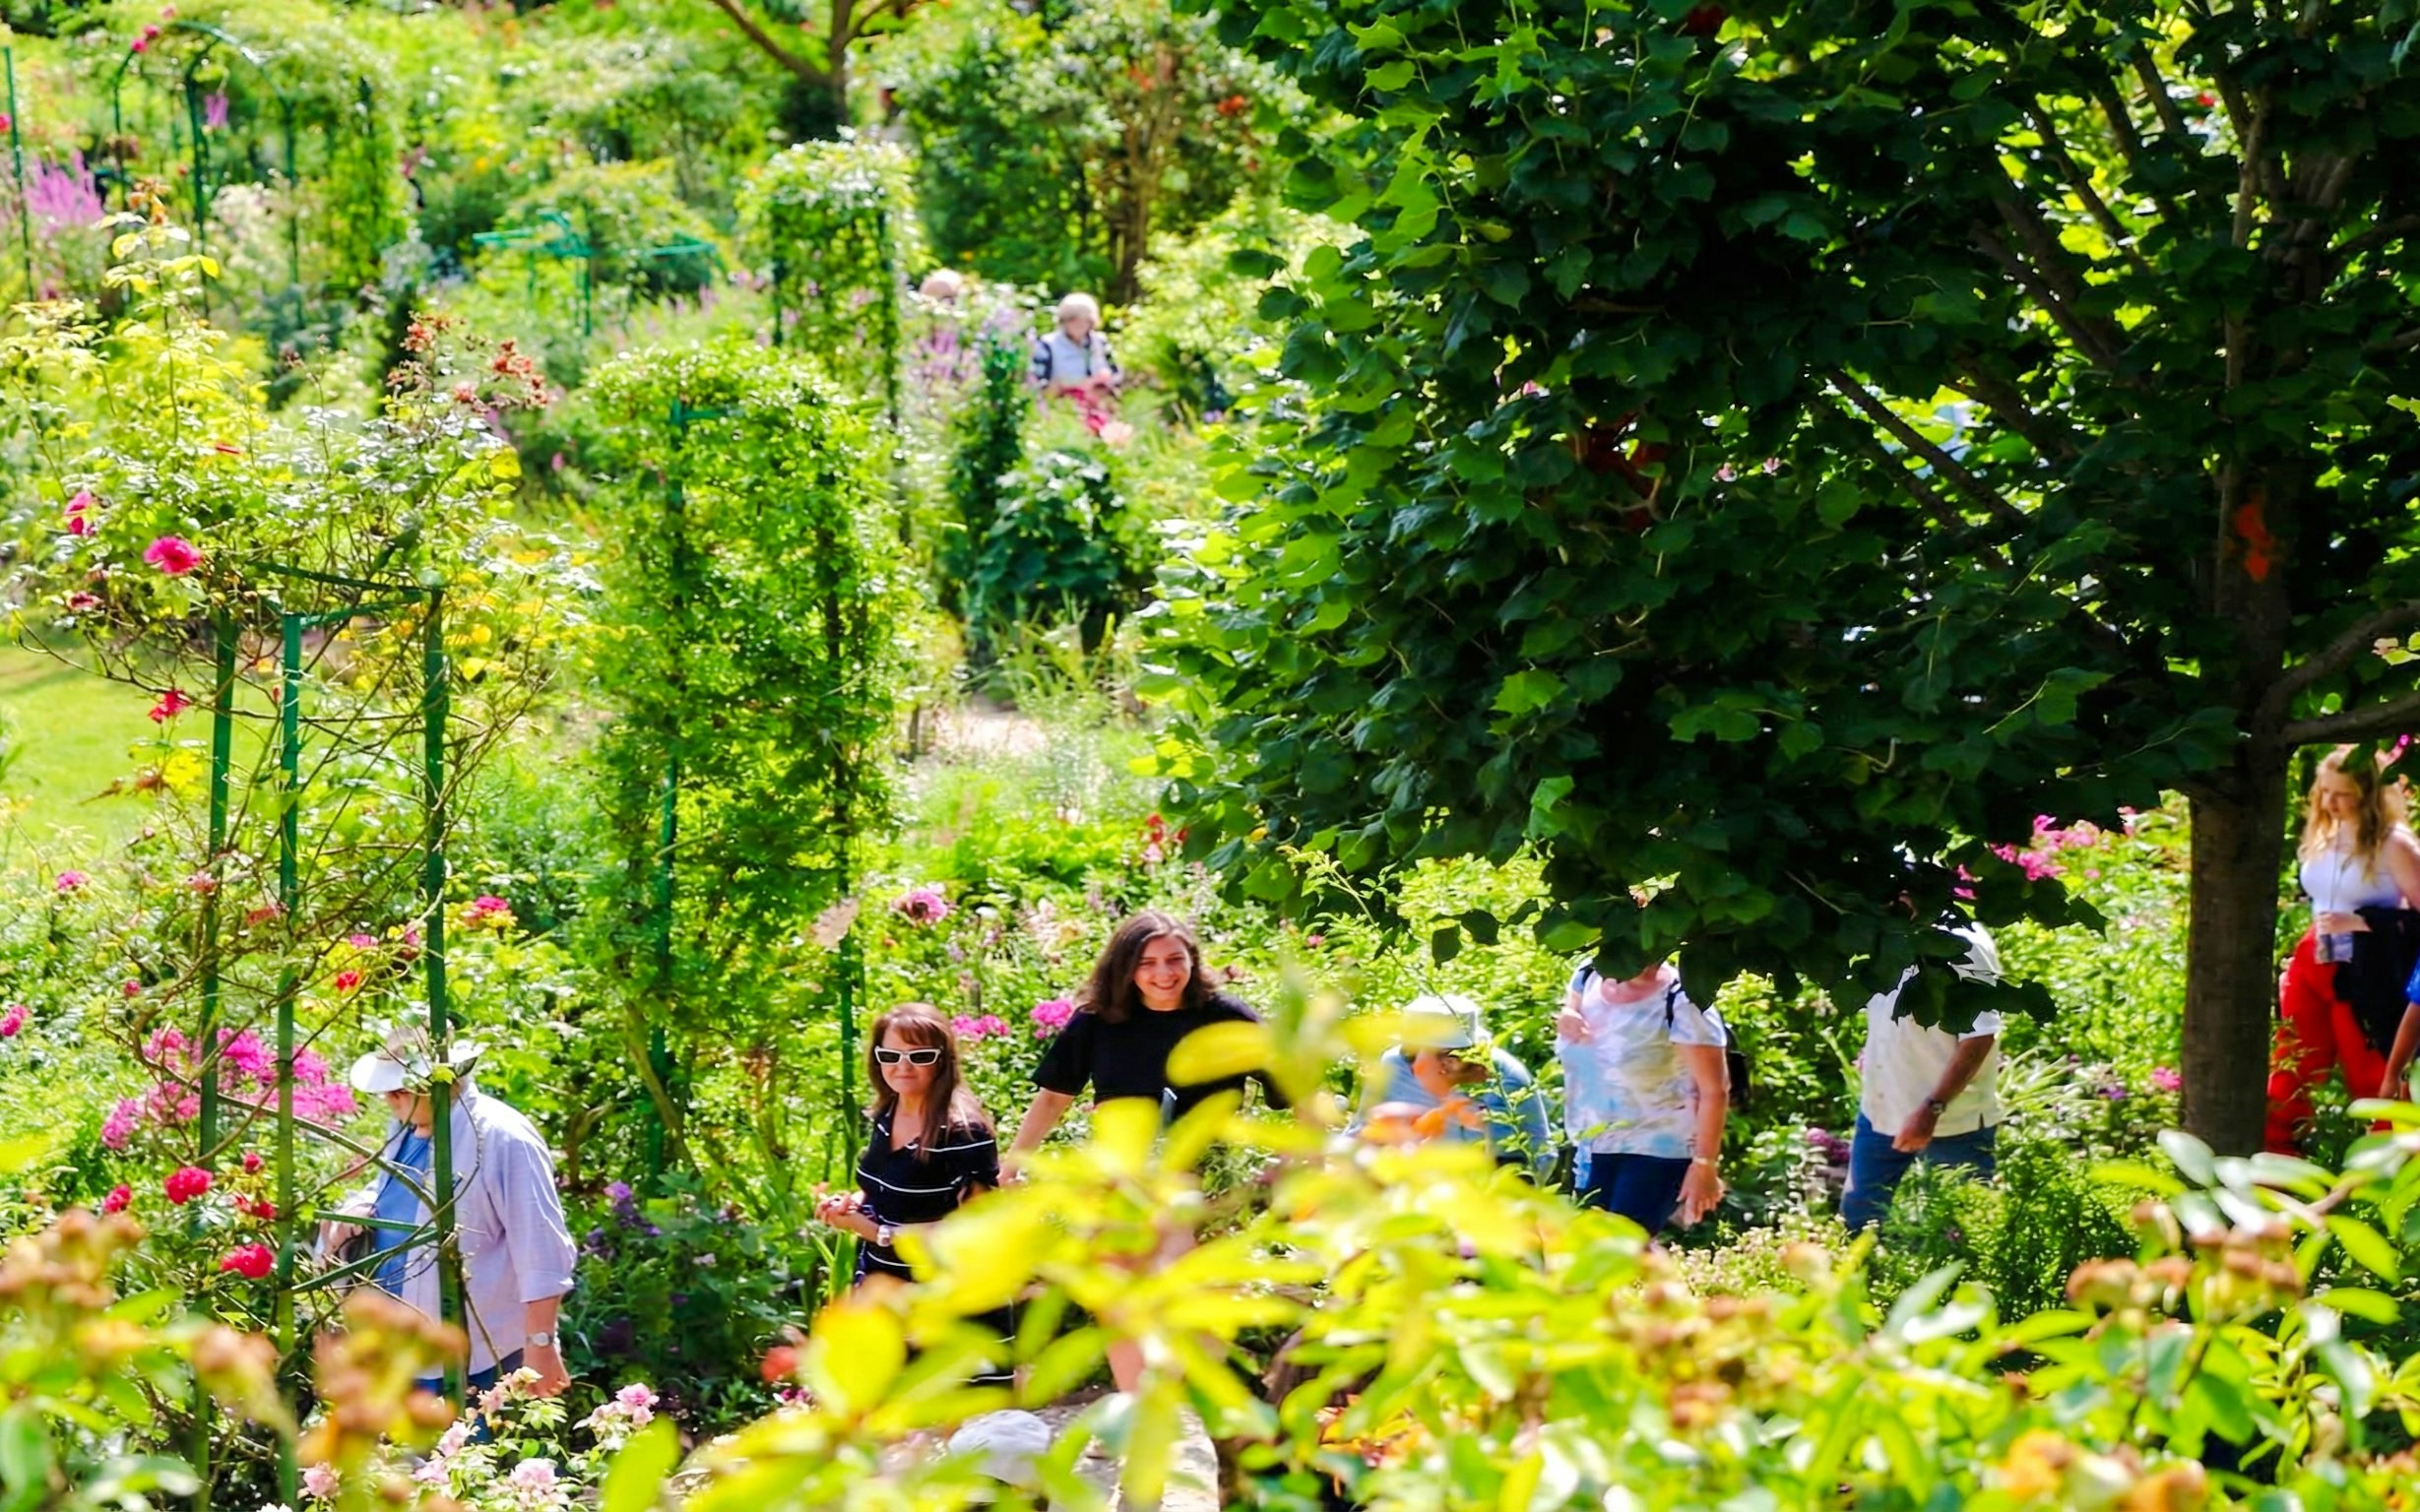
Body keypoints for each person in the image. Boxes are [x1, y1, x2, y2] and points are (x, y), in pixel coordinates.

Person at [1005, 910, 1283, 1392]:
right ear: (1126, 968)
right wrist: (1014, 1160)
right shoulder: (1097, 1023)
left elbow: (1294, 1086)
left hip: (1204, 1179)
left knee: (1195, 1291)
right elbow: (1053, 1097)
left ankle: (1194, 1397)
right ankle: (1138, 1401)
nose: (1163, 974)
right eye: (1147, 963)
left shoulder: (1226, 1018)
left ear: (1192, 961)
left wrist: (1300, 1156)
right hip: (1121, 1177)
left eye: (1174, 960)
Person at [329, 1030, 577, 1396]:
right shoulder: (408, 1127)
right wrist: (357, 1209)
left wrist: (540, 1343)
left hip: (477, 1354)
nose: (389, 1098)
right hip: (400, 1346)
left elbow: (540, 1247)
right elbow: (398, 1192)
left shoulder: (502, 1137)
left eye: (400, 1088)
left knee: (471, 1433)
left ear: (442, 1081)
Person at [813, 1004, 1011, 1389]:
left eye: (919, 1056)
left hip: (951, 1302)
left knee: (965, 1417)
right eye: (890, 1056)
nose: (902, 1067)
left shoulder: (963, 1133)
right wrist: (851, 1203)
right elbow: (882, 1186)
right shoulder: (887, 1113)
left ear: (943, 1060)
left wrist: (879, 1233)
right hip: (885, 1292)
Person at [2266, 747, 2420, 1153]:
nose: (2330, 802)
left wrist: (2365, 923)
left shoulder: (2394, 844)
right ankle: (2273, 1167)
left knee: (2371, 1074)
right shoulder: (2324, 834)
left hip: (2365, 965)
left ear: (2367, 794)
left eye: (2342, 794)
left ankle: (2390, 1169)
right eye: (2325, 791)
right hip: (2313, 957)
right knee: (2292, 1063)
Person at [1839, 922, 2005, 1231]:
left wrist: (1932, 1109)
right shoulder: (1884, 933)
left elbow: (1980, 1037)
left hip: (1953, 1122)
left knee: (1963, 1229)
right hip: (1880, 1111)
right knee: (1858, 1220)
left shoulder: (1963, 944)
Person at [1557, 958, 1728, 1232]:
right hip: (1592, 1145)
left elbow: (1714, 1090)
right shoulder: (1588, 974)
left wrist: (1705, 1164)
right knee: (1588, 1249)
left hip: (1656, 1151)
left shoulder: (1683, 1000)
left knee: (1619, 1248)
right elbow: (1573, 1010)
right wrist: (1567, 1014)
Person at [1355, 994, 1555, 1181]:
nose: (1416, 1064)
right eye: (1411, 1052)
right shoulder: (1394, 1064)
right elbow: (1363, 1129)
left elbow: (1531, 1157)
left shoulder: (1505, 1077)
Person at [1030, 292, 1119, 396]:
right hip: (1062, 402)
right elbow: (1038, 384)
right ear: (1063, 320)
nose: (1079, 323)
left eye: (1085, 319)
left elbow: (1116, 376)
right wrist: (1074, 385)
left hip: (1098, 401)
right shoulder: (1047, 345)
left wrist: (1105, 381)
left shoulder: (1100, 342)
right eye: (1072, 319)